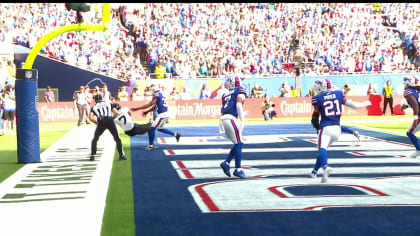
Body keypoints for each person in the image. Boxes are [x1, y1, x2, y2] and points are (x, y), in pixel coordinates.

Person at [310, 78, 371, 183]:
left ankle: (325, 168)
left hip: (325, 128)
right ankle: (314, 171)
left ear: (320, 87)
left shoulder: (317, 98)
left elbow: (315, 116)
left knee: (322, 149)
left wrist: (316, 125)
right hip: (337, 129)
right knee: (322, 150)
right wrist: (366, 102)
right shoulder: (338, 93)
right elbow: (354, 105)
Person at [130, 84, 181, 150]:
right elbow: (155, 107)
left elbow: (150, 104)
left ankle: (151, 145)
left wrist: (138, 108)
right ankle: (176, 134)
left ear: (154, 89)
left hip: (162, 115)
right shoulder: (160, 94)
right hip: (165, 114)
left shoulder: (156, 95)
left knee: (152, 128)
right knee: (160, 128)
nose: (150, 91)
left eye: (151, 89)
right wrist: (147, 111)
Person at [219, 76, 248, 179]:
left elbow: (224, 109)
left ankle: (226, 163)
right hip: (231, 119)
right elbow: (239, 105)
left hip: (224, 119)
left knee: (237, 143)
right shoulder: (239, 90)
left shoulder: (225, 94)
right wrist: (242, 120)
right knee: (239, 143)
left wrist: (242, 115)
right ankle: (238, 169)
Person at [89, 93, 126, 161]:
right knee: (117, 138)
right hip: (110, 120)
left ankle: (92, 155)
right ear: (102, 99)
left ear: (95, 100)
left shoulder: (94, 107)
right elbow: (116, 113)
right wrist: (112, 118)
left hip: (101, 121)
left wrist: (97, 122)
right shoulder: (108, 104)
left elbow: (90, 117)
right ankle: (121, 155)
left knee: (95, 139)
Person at [400, 76, 420, 158]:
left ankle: (418, 150)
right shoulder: (416, 90)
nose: (404, 85)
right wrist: (407, 105)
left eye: (405, 83)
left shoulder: (407, 91)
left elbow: (415, 104)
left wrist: (415, 119)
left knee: (410, 132)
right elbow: (415, 103)